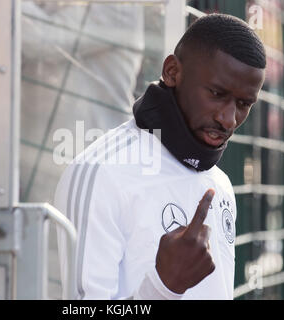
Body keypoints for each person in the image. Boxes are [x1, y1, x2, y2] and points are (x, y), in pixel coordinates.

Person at [54, 13, 266, 300]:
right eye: (217, 93)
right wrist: (163, 287)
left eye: (243, 104)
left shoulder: (220, 184)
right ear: (171, 72)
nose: (228, 119)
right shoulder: (100, 172)